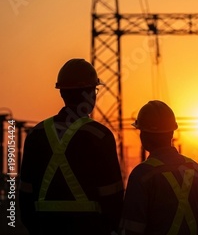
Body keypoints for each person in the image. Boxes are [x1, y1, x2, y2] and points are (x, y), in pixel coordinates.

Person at [19, 58, 124, 235]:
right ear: (90, 94)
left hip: (45, 228)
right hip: (89, 229)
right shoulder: (99, 135)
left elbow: (25, 197)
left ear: (62, 93)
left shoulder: (36, 134)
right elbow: (113, 199)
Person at [120, 100, 198, 235]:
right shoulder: (196, 170)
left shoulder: (142, 175)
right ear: (172, 133)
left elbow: (132, 229)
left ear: (143, 135)